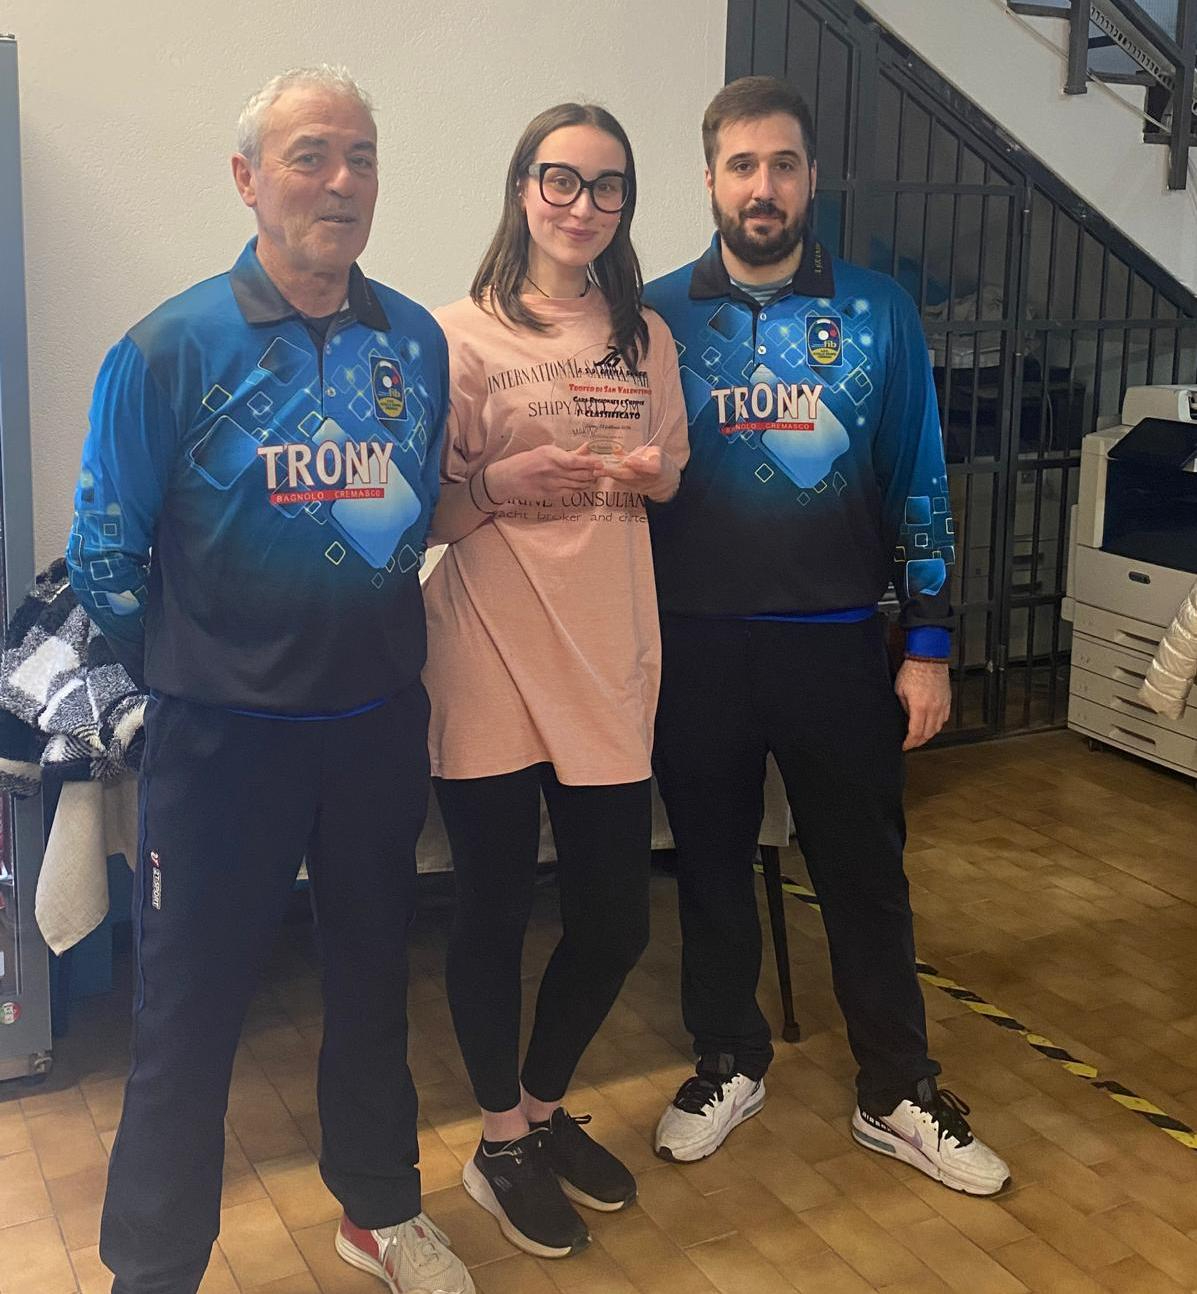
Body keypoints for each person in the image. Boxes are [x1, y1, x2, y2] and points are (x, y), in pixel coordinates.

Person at [67, 66, 473, 1294]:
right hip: (221, 744)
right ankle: (153, 1271)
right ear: (248, 178)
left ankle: (380, 1211)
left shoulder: (414, 341)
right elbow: (104, 557)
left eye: (361, 157)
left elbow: (413, 512)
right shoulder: (169, 347)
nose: (341, 182)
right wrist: (206, 667)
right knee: (187, 1018)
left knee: (373, 983)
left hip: (375, 728)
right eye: (310, 156)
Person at [642, 75, 1010, 1196]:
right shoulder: (652, 317)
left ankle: (895, 1086)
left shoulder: (877, 311)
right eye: (742, 165)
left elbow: (919, 481)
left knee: (865, 876)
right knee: (708, 869)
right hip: (695, 647)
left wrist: (929, 644)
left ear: (811, 177)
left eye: (783, 164)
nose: (763, 186)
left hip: (840, 641)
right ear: (710, 179)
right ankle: (727, 1059)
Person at [421, 103, 689, 1258]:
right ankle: (497, 1139)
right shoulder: (456, 335)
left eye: (608, 185)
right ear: (523, 187)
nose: (584, 205)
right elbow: (426, 517)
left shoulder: (646, 337)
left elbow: (669, 474)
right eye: (561, 180)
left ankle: (536, 1107)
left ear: (627, 202)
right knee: (490, 911)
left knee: (616, 921)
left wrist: (649, 472)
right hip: (486, 647)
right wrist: (498, 483)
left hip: (608, 651)